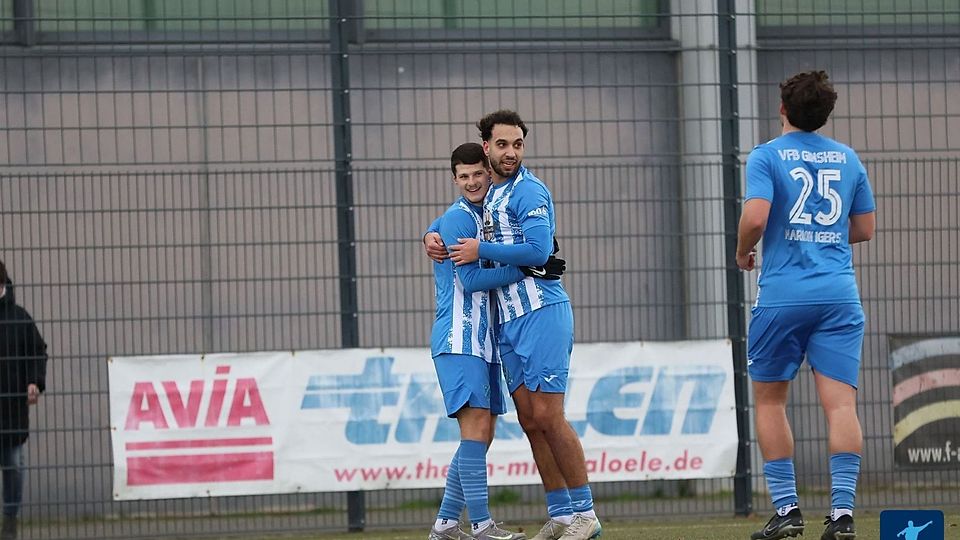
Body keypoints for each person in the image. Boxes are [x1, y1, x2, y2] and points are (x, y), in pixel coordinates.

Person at [443, 110, 599, 540]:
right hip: (507, 320)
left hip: (542, 313)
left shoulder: (529, 190)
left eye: (518, 144)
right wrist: (432, 237)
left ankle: (586, 514)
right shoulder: (489, 191)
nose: (511, 152)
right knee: (530, 420)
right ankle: (561, 513)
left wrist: (481, 249)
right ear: (487, 147)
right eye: (503, 144)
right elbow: (458, 213)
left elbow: (538, 250)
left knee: (550, 415)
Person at [737, 71, 876, 540]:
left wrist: (742, 251)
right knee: (840, 407)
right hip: (839, 295)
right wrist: (825, 236)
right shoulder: (848, 158)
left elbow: (755, 217)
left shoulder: (766, 156)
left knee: (771, 401)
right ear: (825, 113)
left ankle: (788, 510)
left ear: (782, 108)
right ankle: (841, 515)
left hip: (783, 296)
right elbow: (864, 228)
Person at [428, 143, 564, 540]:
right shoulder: (458, 218)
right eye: (463, 176)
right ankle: (482, 525)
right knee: (475, 431)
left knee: (482, 434)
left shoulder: (486, 215)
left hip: (482, 341)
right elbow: (469, 281)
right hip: (459, 337)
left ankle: (446, 524)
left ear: (489, 174)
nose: (471, 182)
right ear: (455, 180)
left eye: (477, 174)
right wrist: (528, 269)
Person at [0, 261, 48, 540]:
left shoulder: (20, 318)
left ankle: (9, 522)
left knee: (14, 466)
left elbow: (37, 352)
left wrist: (34, 381)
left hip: (11, 413)